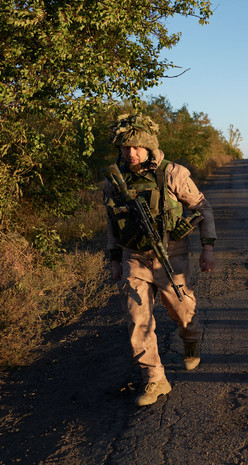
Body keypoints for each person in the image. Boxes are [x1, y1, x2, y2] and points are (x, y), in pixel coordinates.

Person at [103, 113, 217, 407]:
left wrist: (208, 247)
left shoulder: (172, 173)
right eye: (126, 148)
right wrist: (115, 258)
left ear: (150, 146)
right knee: (137, 319)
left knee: (182, 309)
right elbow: (112, 223)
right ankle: (155, 379)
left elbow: (203, 207)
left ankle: (190, 338)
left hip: (172, 254)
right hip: (133, 258)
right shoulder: (116, 180)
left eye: (137, 147)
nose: (132, 153)